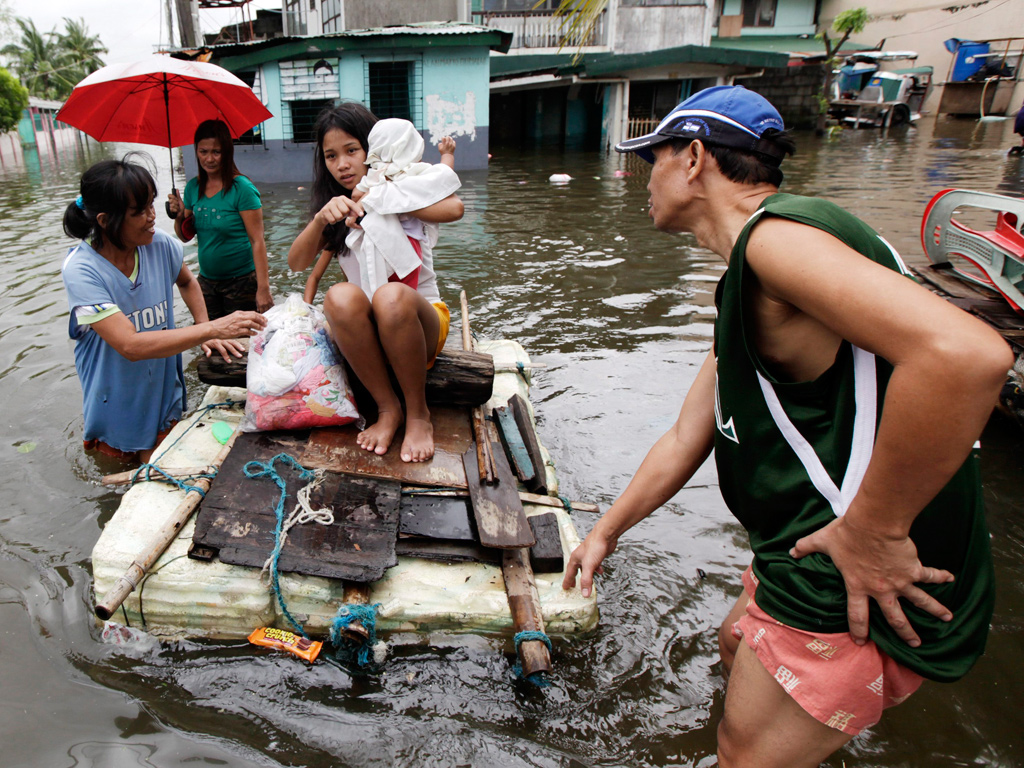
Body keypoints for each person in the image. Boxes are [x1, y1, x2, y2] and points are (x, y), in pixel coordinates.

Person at [561, 86, 1011, 768]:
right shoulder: (761, 264)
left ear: (693, 157)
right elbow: (691, 433)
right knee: (734, 642)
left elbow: (969, 357)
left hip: (851, 569)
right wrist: (605, 532)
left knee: (745, 756)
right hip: (798, 547)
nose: (641, 179)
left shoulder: (775, 246)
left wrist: (874, 530)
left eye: (651, 158)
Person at [287, 103, 464, 463]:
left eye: (352, 151)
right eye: (331, 156)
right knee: (338, 297)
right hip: (372, 334)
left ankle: (418, 414)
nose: (342, 164)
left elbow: (454, 208)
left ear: (375, 149)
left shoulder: (403, 188)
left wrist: (384, 203)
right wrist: (322, 218)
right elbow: (296, 263)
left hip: (421, 320)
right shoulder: (338, 206)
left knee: (391, 297)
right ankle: (389, 409)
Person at [62, 156, 267, 463]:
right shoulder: (81, 269)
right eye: (139, 211)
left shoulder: (162, 246)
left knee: (164, 468)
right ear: (105, 221)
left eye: (151, 205)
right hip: (115, 408)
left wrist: (202, 323)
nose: (151, 217)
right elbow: (129, 345)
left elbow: (186, 281)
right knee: (121, 484)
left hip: (163, 397)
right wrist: (212, 328)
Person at [167, 119, 273, 317]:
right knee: (210, 342)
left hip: (241, 282)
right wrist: (179, 216)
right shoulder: (193, 188)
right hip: (206, 283)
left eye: (216, 152)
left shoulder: (242, 189)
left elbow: (257, 241)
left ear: (227, 152)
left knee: (241, 343)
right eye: (203, 151)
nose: (209, 158)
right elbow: (185, 236)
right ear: (196, 151)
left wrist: (263, 288)